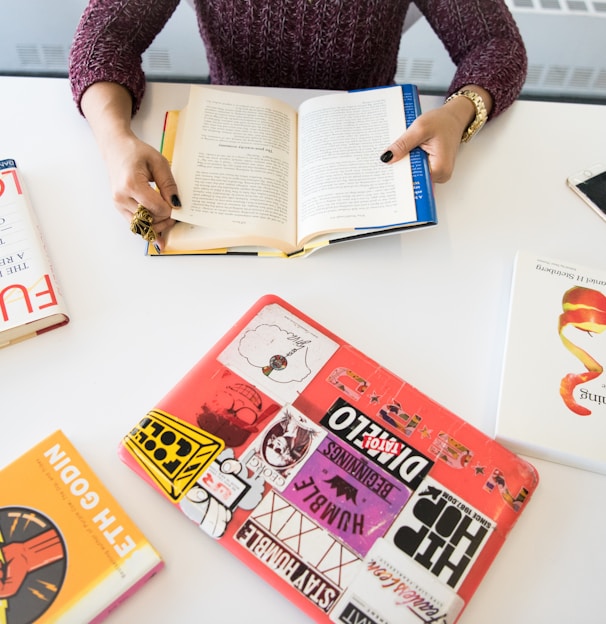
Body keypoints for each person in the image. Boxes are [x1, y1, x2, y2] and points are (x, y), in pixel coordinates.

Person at [69, 0, 527, 250]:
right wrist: (115, 141)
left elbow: (494, 42)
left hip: (366, 158)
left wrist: (460, 111)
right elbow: (104, 37)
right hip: (229, 149)